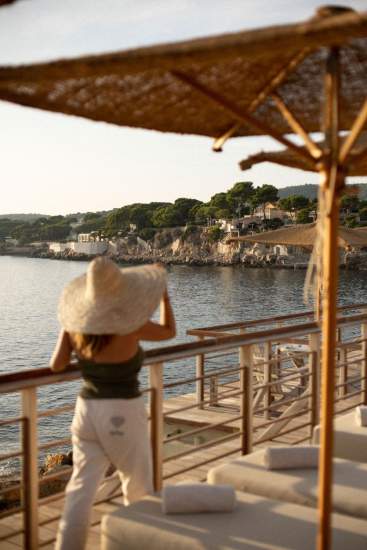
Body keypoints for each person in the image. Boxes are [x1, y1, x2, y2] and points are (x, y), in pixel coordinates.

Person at [50, 257, 176, 550]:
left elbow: (56, 366)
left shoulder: (76, 330)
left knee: (80, 489)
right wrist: (164, 296)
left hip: (86, 412)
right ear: (118, 291)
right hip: (122, 411)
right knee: (138, 484)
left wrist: (72, 323)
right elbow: (169, 332)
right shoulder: (130, 325)